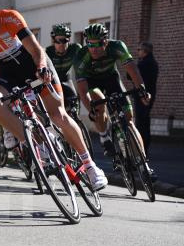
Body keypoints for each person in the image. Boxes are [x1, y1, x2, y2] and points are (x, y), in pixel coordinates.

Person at [0, 0, 108, 190]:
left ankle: (90, 166)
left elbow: (36, 50)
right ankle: (37, 145)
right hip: (9, 73)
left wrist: (42, 68)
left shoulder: (10, 18)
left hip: (34, 64)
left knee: (58, 115)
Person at [73, 23, 151, 158]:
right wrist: (90, 108)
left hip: (111, 78)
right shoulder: (81, 56)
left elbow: (133, 70)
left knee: (129, 121)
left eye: (98, 44)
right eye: (90, 44)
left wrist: (142, 90)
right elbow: (82, 90)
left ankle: (144, 164)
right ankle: (104, 136)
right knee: (98, 102)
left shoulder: (117, 47)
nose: (94, 49)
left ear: (106, 42)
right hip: (91, 82)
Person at [45, 24, 83, 111]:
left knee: (74, 101)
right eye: (58, 41)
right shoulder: (48, 52)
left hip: (65, 78)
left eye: (65, 40)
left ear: (69, 40)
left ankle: (75, 120)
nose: (61, 44)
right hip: (52, 81)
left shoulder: (75, 48)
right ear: (53, 41)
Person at [134, 42, 158, 154]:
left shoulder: (143, 64)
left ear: (145, 51)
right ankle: (144, 147)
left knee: (141, 122)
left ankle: (141, 147)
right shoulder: (153, 63)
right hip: (150, 94)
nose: (138, 52)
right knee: (145, 121)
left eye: (139, 50)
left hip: (141, 95)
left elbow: (131, 75)